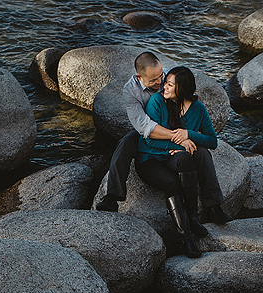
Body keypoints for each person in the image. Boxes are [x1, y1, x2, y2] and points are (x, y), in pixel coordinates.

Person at [135, 66, 232, 258]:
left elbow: (212, 141)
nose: (164, 87)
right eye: (166, 83)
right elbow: (149, 138)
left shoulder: (198, 109)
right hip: (153, 155)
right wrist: (181, 145)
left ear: (183, 89)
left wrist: (189, 134)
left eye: (170, 85)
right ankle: (187, 236)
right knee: (183, 165)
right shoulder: (157, 102)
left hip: (174, 158)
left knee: (202, 152)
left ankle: (205, 211)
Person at [95, 52, 186, 212]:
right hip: (149, 132)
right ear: (139, 77)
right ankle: (112, 197)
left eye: (160, 75)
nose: (160, 82)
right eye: (153, 80)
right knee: (125, 143)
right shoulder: (131, 91)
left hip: (171, 125)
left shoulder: (168, 78)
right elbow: (144, 126)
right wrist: (176, 137)